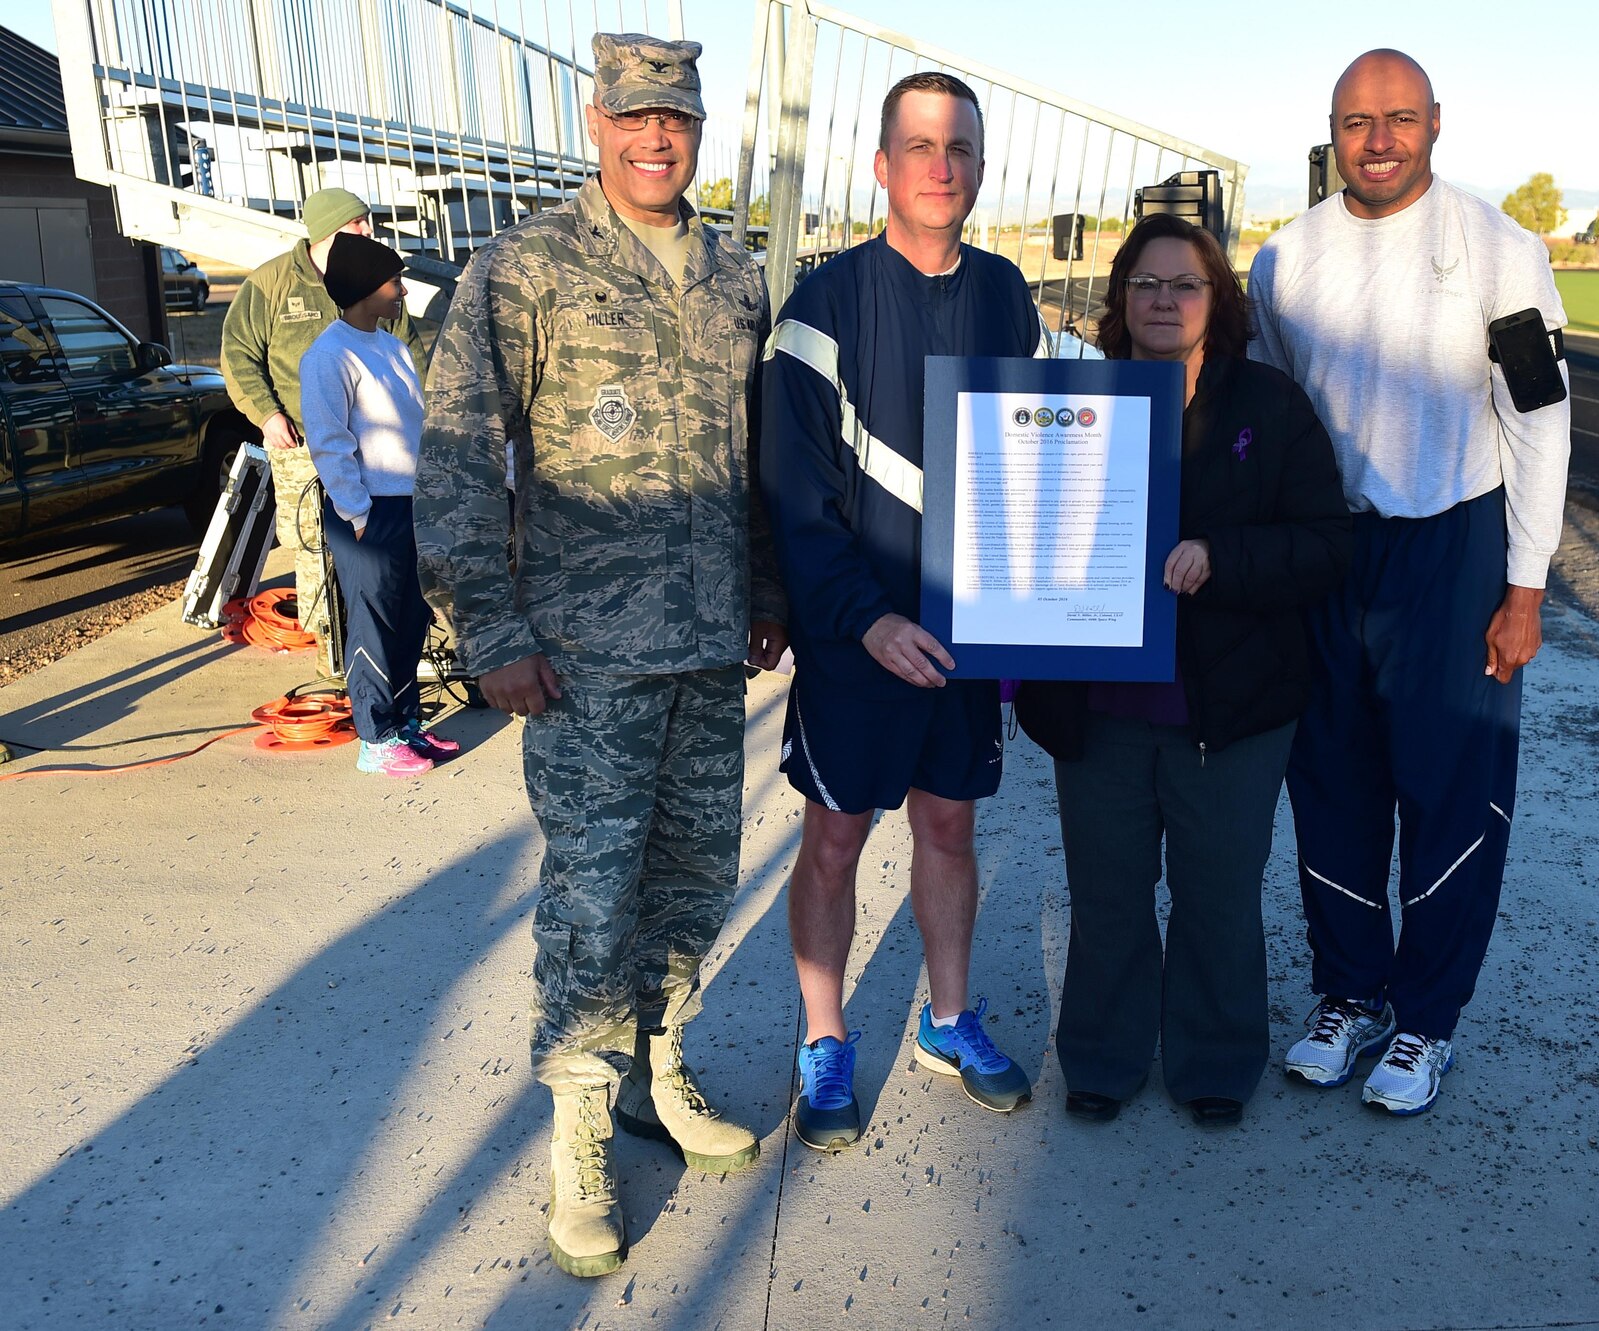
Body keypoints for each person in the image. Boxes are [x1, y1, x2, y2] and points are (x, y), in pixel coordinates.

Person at [415, 33, 788, 1279]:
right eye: (633, 117)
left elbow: (756, 458)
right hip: (576, 660)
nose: (654, 138)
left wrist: (769, 586)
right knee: (588, 895)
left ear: (696, 126)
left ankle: (655, 1069)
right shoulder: (524, 268)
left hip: (704, 650)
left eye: (673, 118)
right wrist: (493, 633)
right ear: (594, 119)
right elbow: (461, 456)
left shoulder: (737, 276)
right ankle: (580, 1117)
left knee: (690, 876)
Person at [1248, 49, 1572, 1116]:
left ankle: (1426, 1017)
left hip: (1453, 546)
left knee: (1449, 788)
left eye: (1395, 118)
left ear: (1433, 122)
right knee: (1331, 783)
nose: (1376, 140)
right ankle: (1348, 993)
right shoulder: (1282, 262)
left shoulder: (1497, 248)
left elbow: (1537, 420)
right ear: (1329, 131)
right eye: (1353, 122)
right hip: (1332, 555)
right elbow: (1275, 423)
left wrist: (1523, 587)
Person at [761, 71, 1047, 1153]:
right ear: (881, 166)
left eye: (959, 147)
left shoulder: (1007, 294)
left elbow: (1032, 462)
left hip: (966, 635)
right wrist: (863, 618)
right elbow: (792, 494)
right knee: (833, 838)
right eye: (919, 145)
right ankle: (825, 1038)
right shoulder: (821, 305)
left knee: (948, 823)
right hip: (857, 637)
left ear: (978, 168)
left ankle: (946, 1017)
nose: (940, 164)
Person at [1014, 215, 1349, 1128]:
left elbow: (1327, 545)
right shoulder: (1071, 400)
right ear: (1121, 298)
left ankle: (1213, 1062)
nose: (1165, 300)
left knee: (1219, 892)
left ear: (1217, 300)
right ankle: (1103, 1057)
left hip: (1232, 706)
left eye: (1185, 284)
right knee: (1109, 889)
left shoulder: (1270, 407)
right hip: (1100, 705)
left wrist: (1222, 555)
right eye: (1147, 284)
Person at [221, 187, 432, 661]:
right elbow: (238, 354)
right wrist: (267, 414)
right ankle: (332, 655)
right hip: (299, 441)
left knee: (376, 558)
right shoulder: (272, 282)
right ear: (325, 230)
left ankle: (381, 656)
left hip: (377, 450)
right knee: (315, 546)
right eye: (355, 223)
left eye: (368, 221)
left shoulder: (373, 281)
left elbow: (410, 357)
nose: (366, 231)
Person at [298, 234, 456, 776]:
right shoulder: (329, 354)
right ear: (367, 289)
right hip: (365, 512)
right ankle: (376, 737)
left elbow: (415, 426)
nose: (403, 290)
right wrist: (357, 512)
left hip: (409, 504)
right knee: (373, 622)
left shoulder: (392, 347)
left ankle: (407, 723)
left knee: (411, 619)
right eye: (394, 281)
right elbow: (329, 439)